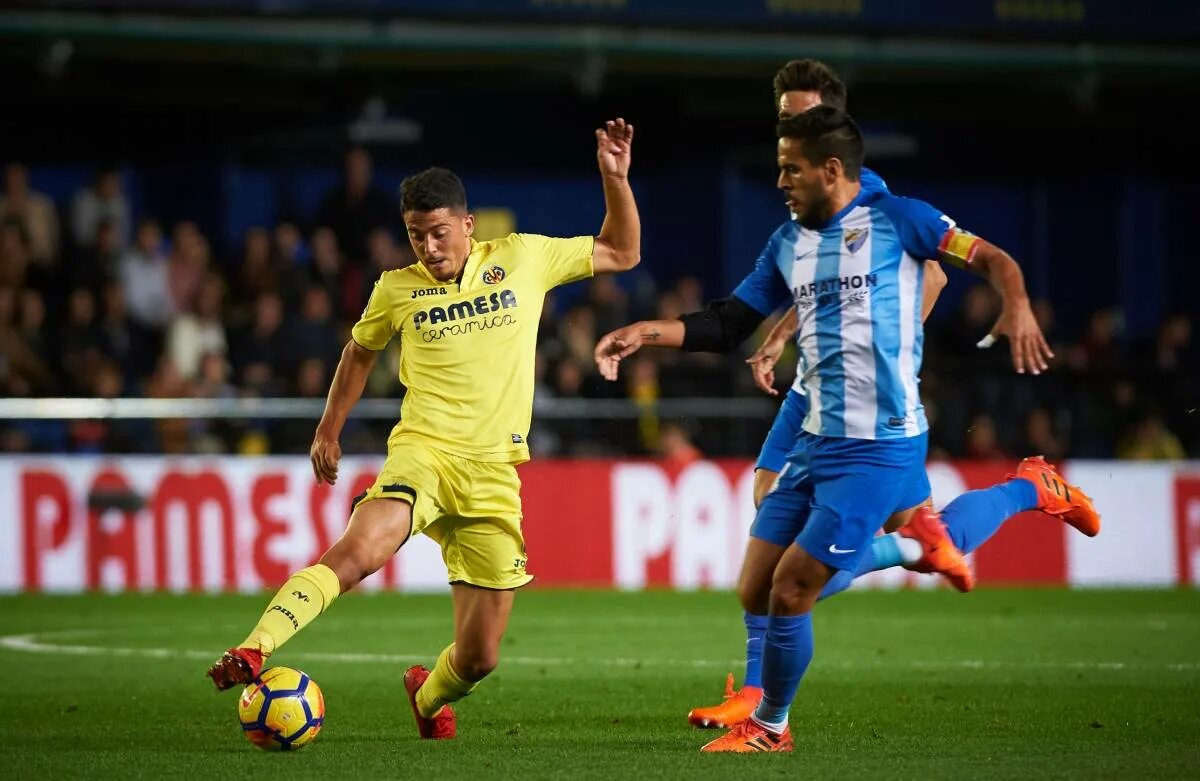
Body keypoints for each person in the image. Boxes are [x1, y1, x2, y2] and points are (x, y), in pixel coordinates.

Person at [595, 107, 1099, 752]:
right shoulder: (787, 244)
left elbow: (989, 257)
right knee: (756, 585)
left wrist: (1019, 304)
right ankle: (1020, 493)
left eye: (790, 169)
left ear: (830, 170)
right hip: (813, 433)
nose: (780, 181)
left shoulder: (902, 219)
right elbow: (726, 323)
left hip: (879, 446)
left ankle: (770, 727)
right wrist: (649, 333)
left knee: (793, 587)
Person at [206, 118, 641, 741]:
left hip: (493, 473)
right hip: (423, 455)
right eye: (416, 236)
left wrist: (614, 179)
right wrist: (328, 429)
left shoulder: (522, 257)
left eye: (438, 233)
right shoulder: (395, 289)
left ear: (468, 225)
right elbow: (358, 352)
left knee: (480, 657)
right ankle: (254, 648)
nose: (428, 248)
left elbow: (623, 252)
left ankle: (430, 695)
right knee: (358, 553)